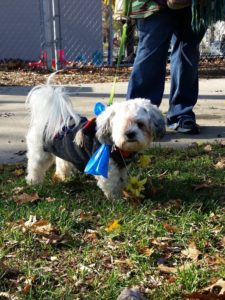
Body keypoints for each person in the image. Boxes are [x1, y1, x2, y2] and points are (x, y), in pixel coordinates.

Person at [125, 0, 207, 134]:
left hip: (193, 4)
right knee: (150, 54)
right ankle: (137, 116)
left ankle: (181, 113)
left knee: (187, 52)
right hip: (153, 4)